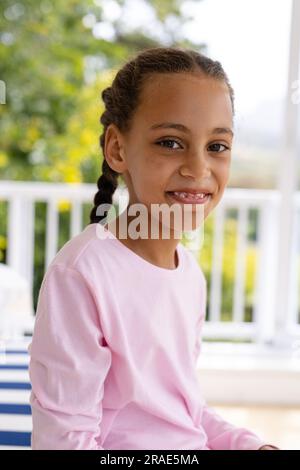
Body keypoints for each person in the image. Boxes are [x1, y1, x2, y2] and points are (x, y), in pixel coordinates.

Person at [28, 47, 280, 450]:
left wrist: (248, 444)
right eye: (170, 142)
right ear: (117, 149)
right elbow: (63, 440)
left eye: (217, 146)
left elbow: (181, 412)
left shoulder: (188, 274)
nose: (198, 169)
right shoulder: (82, 275)